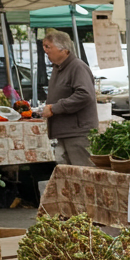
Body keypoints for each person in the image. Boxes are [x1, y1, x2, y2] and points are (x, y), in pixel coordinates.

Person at [41, 30, 98, 167]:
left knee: (83, 173)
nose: (45, 51)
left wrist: (55, 108)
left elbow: (85, 95)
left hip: (78, 133)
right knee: (69, 175)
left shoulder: (77, 67)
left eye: (48, 47)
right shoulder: (58, 68)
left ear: (64, 49)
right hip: (64, 132)